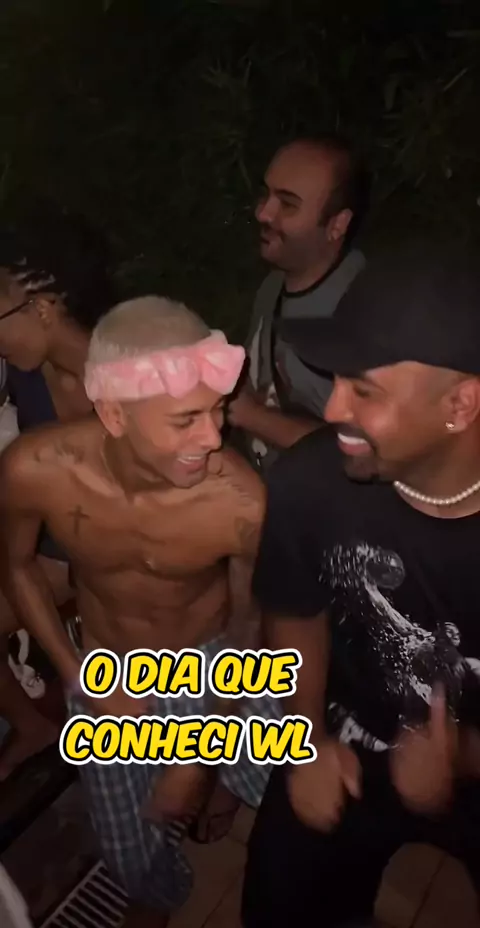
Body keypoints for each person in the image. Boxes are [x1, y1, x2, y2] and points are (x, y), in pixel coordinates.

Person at [0, 296, 277, 928]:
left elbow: (248, 625)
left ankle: (226, 793)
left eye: (217, 410)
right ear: (113, 414)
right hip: (106, 669)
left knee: (282, 789)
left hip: (212, 662)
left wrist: (196, 757)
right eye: (186, 420)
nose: (214, 437)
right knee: (128, 845)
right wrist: (75, 673)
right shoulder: (34, 469)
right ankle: (155, 897)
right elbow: (17, 568)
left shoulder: (240, 504)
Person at [242, 243, 480, 928]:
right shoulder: (312, 481)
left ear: (460, 404)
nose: (333, 408)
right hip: (346, 741)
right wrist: (305, 738)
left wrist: (460, 759)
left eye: (364, 390)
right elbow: (296, 615)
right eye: (337, 379)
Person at [0, 212, 113, 779]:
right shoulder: (26, 372)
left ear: (42, 306)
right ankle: (32, 725)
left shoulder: (133, 377)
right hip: (58, 546)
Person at [228, 135, 369, 471]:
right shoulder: (274, 285)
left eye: (288, 204)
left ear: (337, 224)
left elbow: (366, 451)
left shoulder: (364, 309)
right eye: (266, 194)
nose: (263, 213)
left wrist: (249, 415)